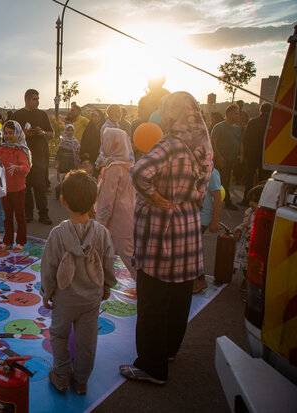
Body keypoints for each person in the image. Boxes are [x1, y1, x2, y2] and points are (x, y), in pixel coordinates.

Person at [120, 91, 213, 385]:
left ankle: (151, 365)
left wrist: (155, 196)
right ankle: (168, 351)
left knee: (152, 301)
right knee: (178, 298)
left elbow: (139, 172)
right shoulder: (203, 148)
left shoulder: (172, 145)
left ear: (171, 113)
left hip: (163, 232)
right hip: (188, 228)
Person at [40, 169, 117, 395]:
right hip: (92, 298)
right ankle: (81, 380)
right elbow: (108, 263)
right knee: (87, 340)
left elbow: (49, 267)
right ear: (94, 200)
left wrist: (47, 292)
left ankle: (62, 375)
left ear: (63, 201)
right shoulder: (102, 233)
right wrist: (106, 286)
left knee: (59, 334)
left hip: (65, 298)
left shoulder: (57, 234)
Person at [95, 128, 136, 279]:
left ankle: (144, 287)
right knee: (109, 251)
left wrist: (101, 222)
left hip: (117, 219)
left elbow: (107, 199)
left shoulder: (114, 168)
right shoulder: (130, 165)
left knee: (127, 254)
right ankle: (102, 279)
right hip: (128, 214)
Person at [12, 89, 54, 225]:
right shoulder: (17, 115)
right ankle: (28, 213)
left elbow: (51, 134)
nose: (37, 101)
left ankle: (44, 214)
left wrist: (41, 133)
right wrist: (23, 134)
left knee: (40, 186)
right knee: (26, 186)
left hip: (39, 155)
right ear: (27, 100)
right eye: (35, 99)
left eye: (38, 99)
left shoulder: (42, 115)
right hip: (22, 155)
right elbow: (8, 135)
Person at [0, 121, 31, 252]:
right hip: (5, 189)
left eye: (11, 133)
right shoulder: (2, 148)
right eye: (5, 133)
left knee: (20, 216)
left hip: (18, 189)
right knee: (7, 216)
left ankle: (21, 241)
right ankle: (8, 240)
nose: (8, 136)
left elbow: (26, 168)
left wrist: (18, 167)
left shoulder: (20, 150)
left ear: (17, 133)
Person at [193, 167, 223, 293]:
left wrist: (215, 220)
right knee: (192, 249)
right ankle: (196, 279)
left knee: (192, 249)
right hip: (193, 216)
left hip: (203, 217)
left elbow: (218, 197)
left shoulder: (212, 173)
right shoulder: (195, 169)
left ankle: (200, 280)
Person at [234, 185, 263, 297]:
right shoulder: (249, 211)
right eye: (250, 200)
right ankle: (246, 279)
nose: (251, 203)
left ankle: (250, 282)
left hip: (253, 244)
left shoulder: (261, 214)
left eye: (255, 201)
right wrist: (239, 229)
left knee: (253, 265)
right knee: (244, 264)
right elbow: (244, 223)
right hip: (244, 244)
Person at [211, 104, 241, 210]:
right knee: (222, 181)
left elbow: (240, 141)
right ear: (228, 114)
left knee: (226, 180)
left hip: (231, 160)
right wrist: (219, 157)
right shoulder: (218, 127)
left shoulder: (236, 128)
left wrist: (241, 154)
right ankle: (226, 202)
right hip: (221, 160)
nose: (238, 116)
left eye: (238, 113)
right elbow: (213, 143)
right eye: (235, 113)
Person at [240, 103, 271, 205]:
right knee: (263, 179)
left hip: (252, 155)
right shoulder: (272, 123)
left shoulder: (252, 122)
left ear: (261, 110)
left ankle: (246, 199)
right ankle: (261, 201)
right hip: (266, 156)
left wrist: (244, 154)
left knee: (249, 178)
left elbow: (245, 139)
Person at [54, 124, 80, 199]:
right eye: (68, 130)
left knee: (71, 177)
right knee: (66, 177)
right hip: (65, 161)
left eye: (71, 130)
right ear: (65, 131)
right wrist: (57, 162)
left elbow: (78, 150)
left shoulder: (75, 141)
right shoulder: (63, 140)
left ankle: (63, 190)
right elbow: (59, 152)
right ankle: (59, 188)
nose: (70, 132)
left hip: (73, 161)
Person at [80, 109, 104, 176]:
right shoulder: (89, 128)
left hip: (101, 156)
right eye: (93, 116)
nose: (94, 118)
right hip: (90, 156)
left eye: (96, 116)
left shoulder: (104, 128)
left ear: (100, 117)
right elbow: (84, 142)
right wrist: (84, 155)